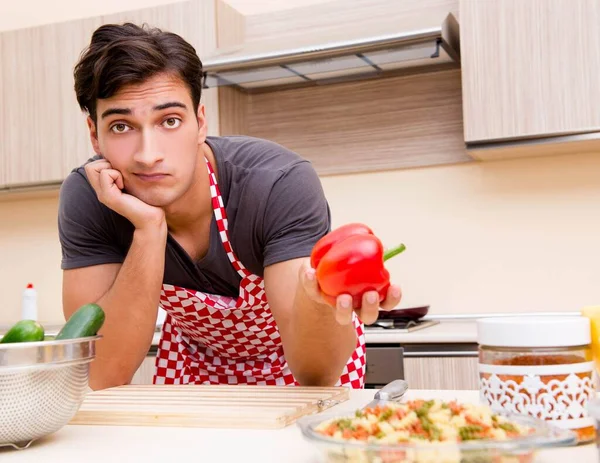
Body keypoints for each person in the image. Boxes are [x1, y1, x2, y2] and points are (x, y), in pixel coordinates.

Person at [58, 23, 402, 390]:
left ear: (200, 122)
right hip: (195, 368)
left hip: (297, 366)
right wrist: (148, 230)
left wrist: (320, 305)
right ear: (94, 135)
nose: (148, 155)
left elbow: (313, 373)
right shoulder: (90, 198)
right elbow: (103, 376)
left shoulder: (277, 183)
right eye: (122, 127)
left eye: (170, 121)